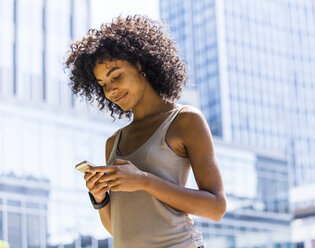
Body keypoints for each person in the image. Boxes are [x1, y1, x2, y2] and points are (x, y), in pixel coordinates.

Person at [64, 15, 226, 248]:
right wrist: (99, 198)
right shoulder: (114, 142)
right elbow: (119, 229)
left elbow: (216, 208)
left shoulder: (185, 120)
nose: (110, 90)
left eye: (116, 76)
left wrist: (144, 181)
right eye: (102, 84)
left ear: (140, 64)